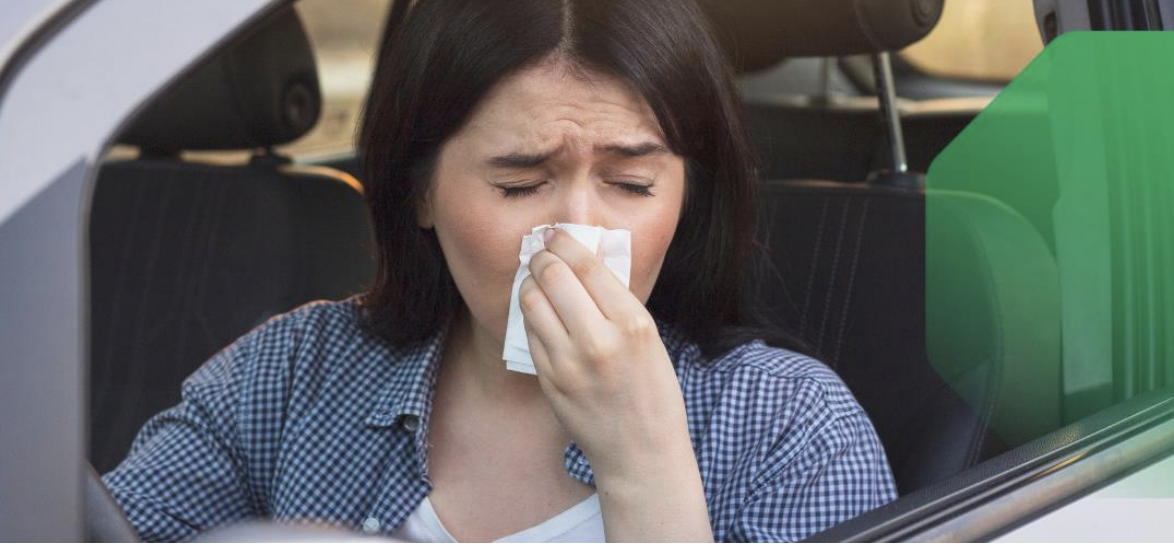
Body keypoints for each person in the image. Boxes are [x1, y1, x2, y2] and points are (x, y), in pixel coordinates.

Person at [102, 0, 897, 541]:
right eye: (518, 184)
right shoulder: (286, 379)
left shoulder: (791, 432)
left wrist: (644, 463)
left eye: (632, 184)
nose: (579, 233)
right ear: (419, 190)